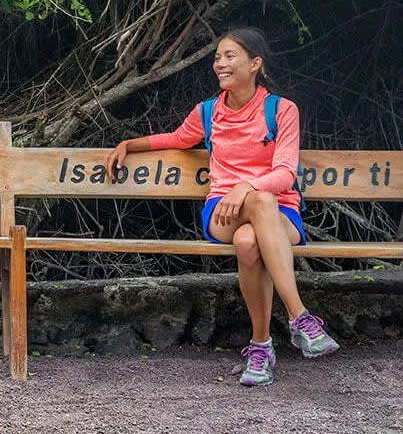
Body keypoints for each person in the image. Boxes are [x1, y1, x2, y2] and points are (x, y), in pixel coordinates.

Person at [102, 27, 338, 386]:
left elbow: (286, 174)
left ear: (255, 64)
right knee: (256, 204)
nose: (220, 64)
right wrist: (129, 144)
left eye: (230, 56)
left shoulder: (281, 110)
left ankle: (260, 348)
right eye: (217, 57)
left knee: (249, 239)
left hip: (279, 212)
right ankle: (300, 317)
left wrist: (244, 187)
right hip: (222, 212)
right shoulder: (209, 111)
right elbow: (178, 138)